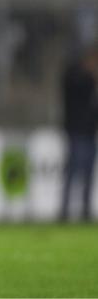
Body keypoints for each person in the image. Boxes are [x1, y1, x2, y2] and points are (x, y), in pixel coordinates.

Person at [60, 45, 98, 222]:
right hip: (76, 132)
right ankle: (64, 211)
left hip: (90, 133)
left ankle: (84, 211)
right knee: (72, 173)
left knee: (88, 174)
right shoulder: (76, 78)